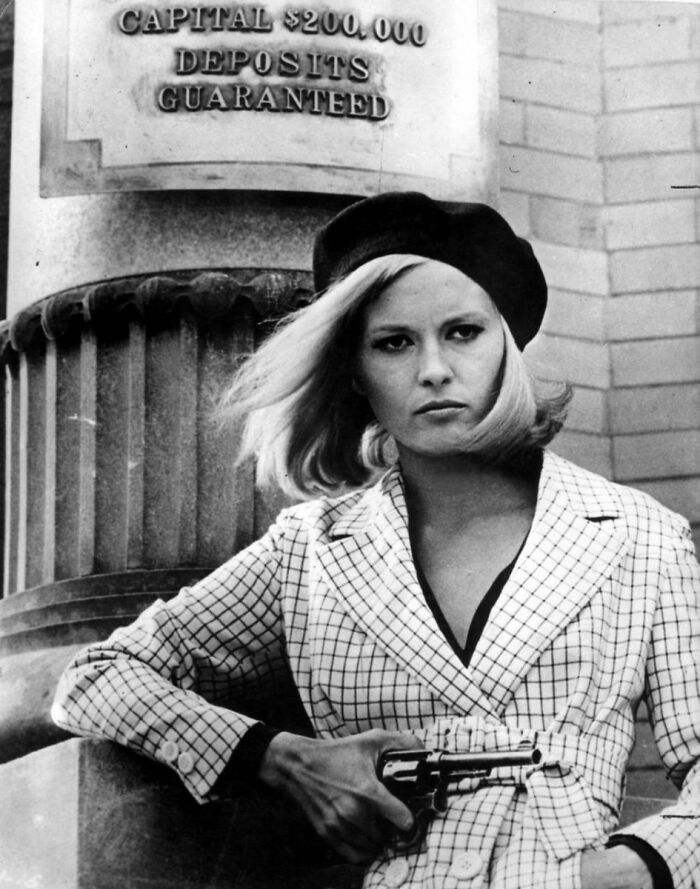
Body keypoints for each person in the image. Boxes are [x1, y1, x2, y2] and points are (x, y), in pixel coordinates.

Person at [52, 192, 700, 889]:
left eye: (463, 332)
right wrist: (284, 757)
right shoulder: (311, 548)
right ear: (355, 373)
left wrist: (627, 871)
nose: (433, 370)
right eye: (394, 342)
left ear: (508, 347)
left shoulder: (640, 535)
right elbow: (95, 677)